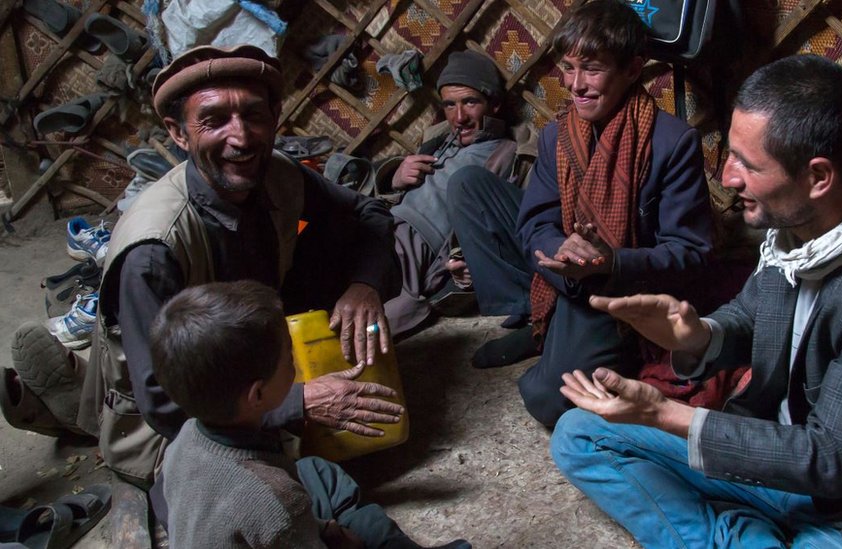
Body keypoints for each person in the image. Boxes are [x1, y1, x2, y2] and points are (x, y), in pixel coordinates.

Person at [551, 54, 842, 548]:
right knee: (580, 432)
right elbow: (755, 314)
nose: (728, 177)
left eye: (748, 165)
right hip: (772, 457)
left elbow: (837, 462)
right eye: (730, 155)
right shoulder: (805, 227)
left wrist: (665, 415)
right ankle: (742, 531)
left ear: (818, 177)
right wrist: (698, 335)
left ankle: (736, 531)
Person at [26, 44, 402, 502]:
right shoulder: (153, 250)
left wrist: (363, 286)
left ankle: (77, 402)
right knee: (270, 501)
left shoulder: (277, 173)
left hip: (251, 346)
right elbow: (166, 405)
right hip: (175, 419)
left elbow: (369, 214)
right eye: (214, 120)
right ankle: (87, 411)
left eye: (253, 115)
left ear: (276, 116)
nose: (240, 138)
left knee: (342, 238)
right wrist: (299, 403)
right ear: (179, 133)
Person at [455, 0, 713, 426]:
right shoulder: (556, 135)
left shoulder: (673, 142)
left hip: (615, 288)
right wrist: (560, 249)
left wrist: (609, 263)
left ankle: (556, 329)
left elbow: (691, 253)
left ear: (633, 69)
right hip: (564, 273)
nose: (576, 85)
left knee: (548, 400)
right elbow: (535, 222)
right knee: (467, 183)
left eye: (591, 69)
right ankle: (539, 316)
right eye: (569, 68)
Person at [154, 280, 469, 548]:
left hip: (254, 520)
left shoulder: (185, 439)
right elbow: (273, 515)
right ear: (257, 394)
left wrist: (324, 528)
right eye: (288, 357)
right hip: (276, 521)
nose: (296, 362)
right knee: (366, 529)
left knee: (317, 472)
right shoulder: (277, 503)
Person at [378, 49, 532, 337]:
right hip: (383, 225)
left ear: (494, 103)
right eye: (449, 105)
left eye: (470, 102)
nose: (459, 117)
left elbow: (506, 226)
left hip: (420, 244)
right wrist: (395, 177)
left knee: (373, 309)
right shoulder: (435, 140)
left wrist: (464, 262)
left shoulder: (512, 153)